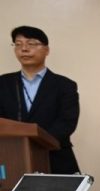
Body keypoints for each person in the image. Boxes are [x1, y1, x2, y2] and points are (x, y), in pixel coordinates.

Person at [0, 26, 80, 174]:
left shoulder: (65, 85)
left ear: (46, 50)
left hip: (55, 159)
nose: (24, 49)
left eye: (31, 43)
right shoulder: (3, 83)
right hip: (12, 158)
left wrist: (35, 143)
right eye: (18, 44)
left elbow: (67, 123)